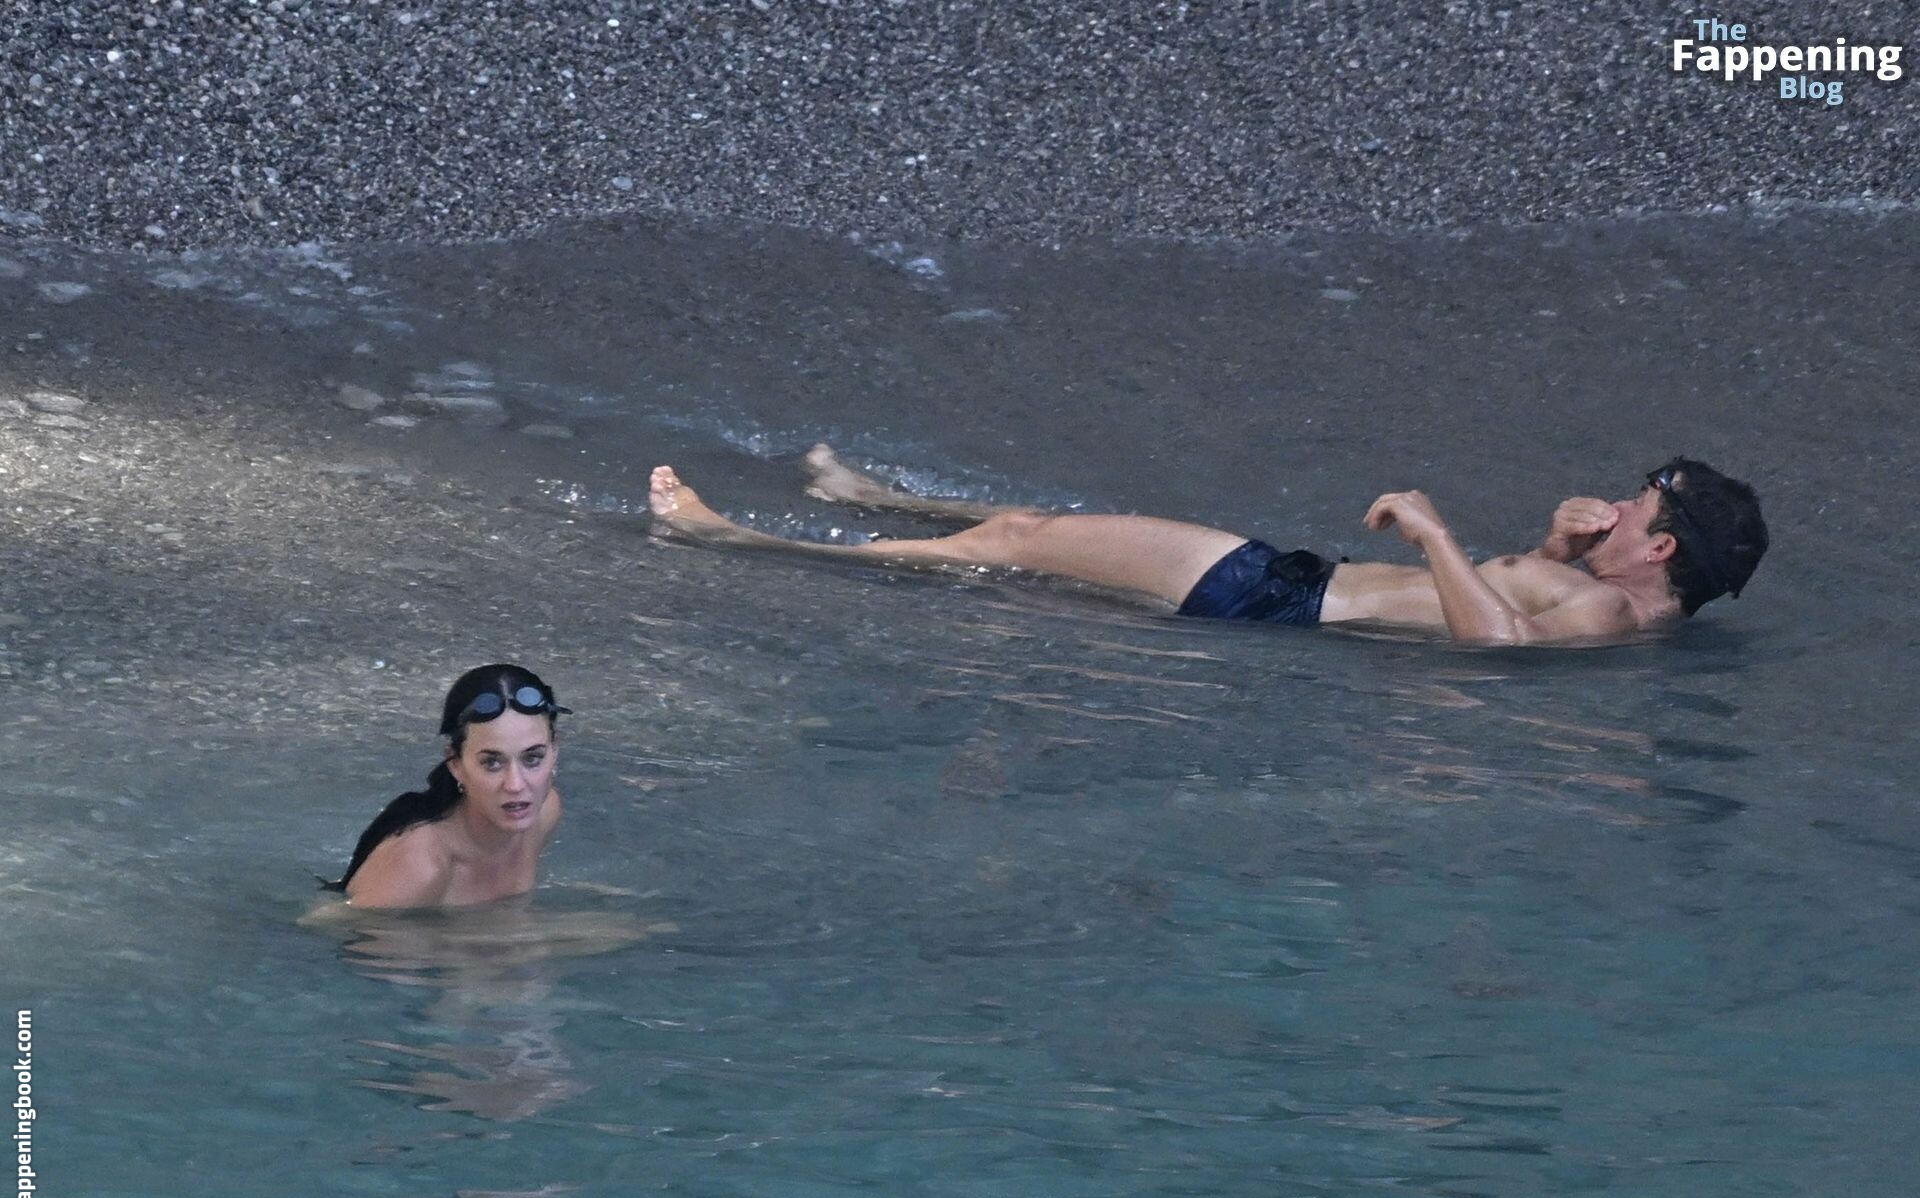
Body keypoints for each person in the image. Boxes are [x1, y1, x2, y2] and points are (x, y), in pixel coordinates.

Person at [645, 447, 1767, 647]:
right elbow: (1512, 609)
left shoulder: (1613, 611)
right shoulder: (1615, 607)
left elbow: (1495, 646)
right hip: (1294, 590)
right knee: (1042, 533)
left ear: (1661, 548)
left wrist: (1434, 530)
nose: (1612, 509)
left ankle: (735, 539)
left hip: (1282, 602)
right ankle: (885, 497)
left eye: (1631, 511)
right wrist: (1551, 547)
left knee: (1024, 542)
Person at [323, 664, 569, 908]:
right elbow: (330, 923)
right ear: (455, 764)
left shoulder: (544, 813)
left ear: (554, 751)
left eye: (532, 758)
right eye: (492, 763)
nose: (515, 785)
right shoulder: (422, 867)